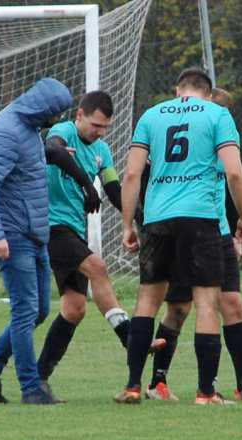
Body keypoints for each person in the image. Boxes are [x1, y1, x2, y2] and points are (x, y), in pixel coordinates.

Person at [116, 67, 242, 405]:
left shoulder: (151, 115)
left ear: (178, 89)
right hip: (200, 217)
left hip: (158, 218)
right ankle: (206, 392)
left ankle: (133, 385)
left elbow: (132, 174)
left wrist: (128, 224)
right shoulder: (217, 114)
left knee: (149, 299)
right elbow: (234, 172)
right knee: (206, 302)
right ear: (207, 93)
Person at [143, 87, 242, 402]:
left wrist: (236, 233)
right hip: (187, 233)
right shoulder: (183, 143)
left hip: (218, 235)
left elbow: (233, 186)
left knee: (233, 304)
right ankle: (157, 383)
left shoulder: (224, 145)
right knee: (179, 308)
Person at [35, 91, 163, 392]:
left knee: (75, 307)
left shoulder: (102, 150)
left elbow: (115, 190)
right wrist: (85, 184)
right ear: (79, 115)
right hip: (51, 225)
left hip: (73, 229)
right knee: (98, 267)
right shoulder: (64, 131)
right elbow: (51, 151)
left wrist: (140, 220)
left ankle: (37, 377)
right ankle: (129, 338)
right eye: (95, 125)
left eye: (105, 127)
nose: (100, 132)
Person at [0, 77, 80, 405]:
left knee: (39, 310)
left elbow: (21, 164)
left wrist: (46, 154)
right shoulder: (6, 132)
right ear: (43, 108)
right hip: (14, 236)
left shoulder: (27, 127)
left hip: (34, 232)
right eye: (55, 114)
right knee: (25, 310)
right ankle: (32, 388)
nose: (56, 120)